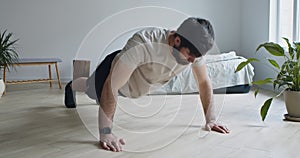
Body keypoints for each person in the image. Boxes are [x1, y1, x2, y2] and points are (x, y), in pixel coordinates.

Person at [64, 17, 230, 152]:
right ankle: (71, 86)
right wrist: (106, 133)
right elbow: (112, 86)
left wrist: (211, 120)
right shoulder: (144, 42)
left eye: (197, 57)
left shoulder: (193, 50)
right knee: (89, 89)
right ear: (177, 40)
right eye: (190, 56)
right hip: (113, 71)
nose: (193, 61)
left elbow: (203, 82)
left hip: (134, 86)